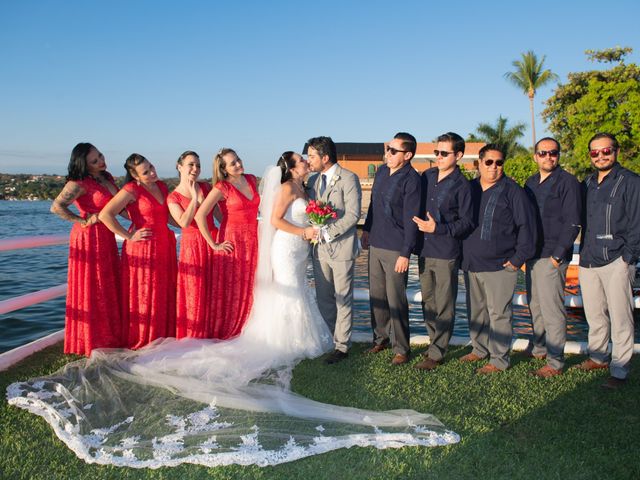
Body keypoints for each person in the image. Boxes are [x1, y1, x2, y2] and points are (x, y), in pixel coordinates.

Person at [7, 156, 459, 467]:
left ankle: (309, 338)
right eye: (209, 164)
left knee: (297, 294)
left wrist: (309, 226)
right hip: (282, 244)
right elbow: (204, 218)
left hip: (281, 245)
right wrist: (128, 233)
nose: (225, 168)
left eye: (226, 163)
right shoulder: (226, 188)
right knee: (285, 293)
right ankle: (280, 338)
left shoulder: (296, 185)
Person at [461, 144, 536, 374]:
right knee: (476, 311)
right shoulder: (469, 188)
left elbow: (527, 227)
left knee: (499, 314)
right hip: (471, 262)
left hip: (500, 265)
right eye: (489, 162)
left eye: (499, 162)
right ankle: (479, 349)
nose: (494, 167)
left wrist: (517, 259)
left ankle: (499, 359)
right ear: (479, 163)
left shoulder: (513, 191)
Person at [574, 132, 640, 389]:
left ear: (616, 151)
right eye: (595, 152)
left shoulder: (630, 181)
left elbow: (637, 223)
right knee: (594, 313)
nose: (601, 156)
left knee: (621, 316)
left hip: (617, 259)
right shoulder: (587, 183)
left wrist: (628, 258)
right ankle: (598, 357)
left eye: (606, 151)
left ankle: (620, 369)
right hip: (589, 258)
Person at [99, 153, 177, 349]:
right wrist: (128, 235)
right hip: (143, 247)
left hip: (165, 244)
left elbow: (167, 217)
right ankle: (144, 337)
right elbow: (105, 215)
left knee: (164, 289)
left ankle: (164, 334)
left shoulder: (161, 186)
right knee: (145, 292)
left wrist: (189, 226)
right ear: (136, 176)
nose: (152, 172)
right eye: (146, 172)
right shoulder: (131, 189)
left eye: (151, 167)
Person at [50, 142, 122, 355]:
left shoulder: (107, 177)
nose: (101, 160)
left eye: (100, 155)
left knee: (107, 284)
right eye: (94, 160)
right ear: (84, 164)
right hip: (88, 237)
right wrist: (81, 220)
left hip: (107, 235)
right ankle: (91, 339)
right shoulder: (78, 182)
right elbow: (56, 207)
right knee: (93, 286)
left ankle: (110, 335)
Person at [412, 132, 474, 371]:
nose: (438, 156)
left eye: (444, 153)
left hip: (446, 251)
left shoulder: (463, 186)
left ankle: (437, 352)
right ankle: (432, 343)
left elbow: (467, 222)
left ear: (458, 155)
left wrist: (438, 228)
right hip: (424, 249)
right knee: (427, 300)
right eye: (436, 152)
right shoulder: (426, 177)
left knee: (444, 302)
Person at [524, 138, 582, 377]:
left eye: (553, 153)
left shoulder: (568, 182)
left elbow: (573, 222)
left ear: (559, 155)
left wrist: (558, 256)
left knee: (552, 310)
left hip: (552, 256)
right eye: (543, 153)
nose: (549, 157)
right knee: (535, 306)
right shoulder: (529, 183)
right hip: (532, 255)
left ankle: (555, 361)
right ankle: (539, 348)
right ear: (535, 156)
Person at [361, 132, 421, 365]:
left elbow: (411, 218)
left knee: (396, 298)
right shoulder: (382, 172)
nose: (387, 153)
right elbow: (374, 206)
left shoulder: (412, 180)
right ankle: (380, 339)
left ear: (407, 155)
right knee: (377, 296)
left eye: (393, 150)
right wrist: (366, 230)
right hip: (376, 242)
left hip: (396, 248)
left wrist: (405, 253)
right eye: (387, 148)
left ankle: (402, 349)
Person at [305, 136, 362, 364]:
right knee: (323, 298)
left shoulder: (349, 178)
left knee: (342, 298)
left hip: (341, 248)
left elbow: (353, 214)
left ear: (325, 157)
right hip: (319, 251)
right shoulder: (312, 181)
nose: (308, 160)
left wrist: (327, 233)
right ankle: (331, 338)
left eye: (311, 156)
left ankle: (342, 346)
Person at [195, 148, 256, 339]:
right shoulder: (222, 187)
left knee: (252, 286)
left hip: (253, 239)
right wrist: (213, 244)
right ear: (224, 169)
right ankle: (231, 331)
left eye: (238, 159)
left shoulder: (252, 179)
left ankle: (250, 328)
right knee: (234, 289)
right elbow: (200, 216)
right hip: (233, 242)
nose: (238, 164)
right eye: (233, 163)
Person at [167, 151, 218, 338]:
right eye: (191, 164)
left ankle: (215, 331)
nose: (195, 168)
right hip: (193, 246)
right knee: (195, 289)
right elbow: (184, 222)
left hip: (212, 238)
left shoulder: (205, 186)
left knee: (214, 286)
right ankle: (195, 333)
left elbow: (218, 214)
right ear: (179, 166)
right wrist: (194, 198)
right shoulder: (173, 197)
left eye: (198, 165)